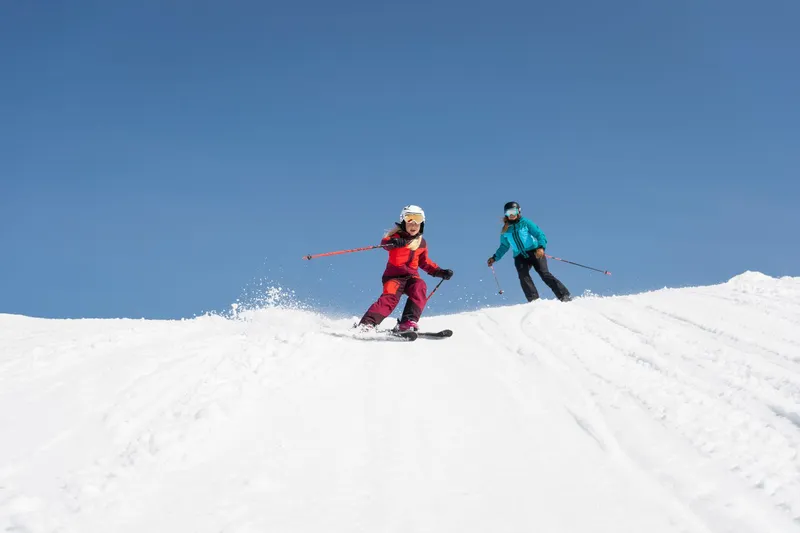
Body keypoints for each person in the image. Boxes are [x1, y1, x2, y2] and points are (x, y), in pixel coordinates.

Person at [358, 205, 453, 332]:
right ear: (403, 221)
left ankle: (408, 322)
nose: (413, 223)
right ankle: (367, 323)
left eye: (417, 219)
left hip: (411, 277)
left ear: (422, 223)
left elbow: (424, 262)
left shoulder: (421, 243)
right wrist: (394, 242)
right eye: (409, 219)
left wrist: (439, 272)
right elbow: (385, 243)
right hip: (394, 277)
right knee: (390, 298)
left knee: (420, 286)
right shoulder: (395, 238)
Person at [487, 201, 571, 302]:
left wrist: (541, 248)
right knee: (523, 276)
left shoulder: (525, 223)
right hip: (519, 256)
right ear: (506, 214)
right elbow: (504, 246)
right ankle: (534, 300)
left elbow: (539, 234)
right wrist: (495, 257)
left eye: (514, 211)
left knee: (544, 274)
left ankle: (564, 295)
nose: (512, 215)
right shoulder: (505, 230)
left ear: (518, 211)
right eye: (509, 213)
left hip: (534, 252)